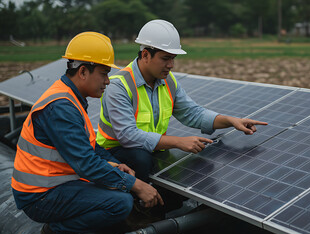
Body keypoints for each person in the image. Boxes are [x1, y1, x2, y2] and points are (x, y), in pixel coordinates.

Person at [11, 32, 163, 234]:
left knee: (119, 182)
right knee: (121, 203)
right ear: (83, 72)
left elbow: (90, 146)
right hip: (40, 196)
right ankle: (58, 231)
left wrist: (114, 163)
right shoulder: (61, 107)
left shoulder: (70, 97)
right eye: (104, 73)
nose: (108, 81)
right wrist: (136, 185)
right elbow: (86, 163)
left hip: (55, 185)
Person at [97, 19, 267, 190]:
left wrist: (231, 121)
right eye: (165, 58)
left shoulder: (168, 81)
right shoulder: (119, 86)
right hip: (114, 154)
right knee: (141, 158)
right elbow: (128, 136)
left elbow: (193, 113)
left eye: (173, 58)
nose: (171, 65)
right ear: (145, 55)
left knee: (190, 161)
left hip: (152, 147)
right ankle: (134, 204)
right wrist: (178, 141)